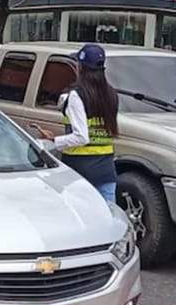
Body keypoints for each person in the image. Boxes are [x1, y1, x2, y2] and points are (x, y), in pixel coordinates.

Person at [32, 43, 120, 205]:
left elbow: (81, 137)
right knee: (108, 220)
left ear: (80, 67)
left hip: (80, 171)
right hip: (106, 171)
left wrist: (55, 141)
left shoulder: (76, 95)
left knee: (81, 220)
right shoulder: (111, 93)